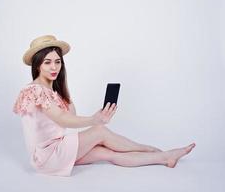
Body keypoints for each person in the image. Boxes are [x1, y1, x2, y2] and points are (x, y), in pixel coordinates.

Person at [13, 35, 196, 177]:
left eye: (57, 62)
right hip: (48, 156)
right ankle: (147, 148)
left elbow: (70, 115)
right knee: (99, 131)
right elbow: (62, 118)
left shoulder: (51, 91)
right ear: (37, 65)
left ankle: (165, 157)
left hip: (56, 152)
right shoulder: (34, 90)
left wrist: (62, 86)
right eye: (47, 62)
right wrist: (94, 119)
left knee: (106, 153)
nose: (54, 67)